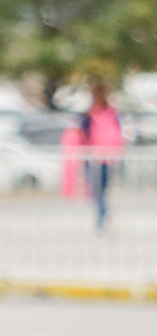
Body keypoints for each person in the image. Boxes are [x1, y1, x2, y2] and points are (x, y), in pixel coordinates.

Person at [65, 83, 124, 232]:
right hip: (110, 156)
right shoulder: (113, 113)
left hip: (93, 156)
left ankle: (102, 217)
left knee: (95, 192)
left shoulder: (90, 114)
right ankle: (103, 216)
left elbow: (83, 133)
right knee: (102, 191)